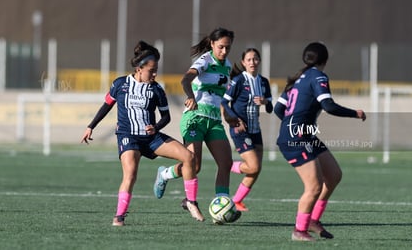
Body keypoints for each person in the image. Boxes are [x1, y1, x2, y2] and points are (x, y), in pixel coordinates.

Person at [81, 40, 204, 226]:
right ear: (139, 68)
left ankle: (191, 202)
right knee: (130, 174)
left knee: (189, 157)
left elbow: (166, 117)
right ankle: (119, 216)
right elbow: (106, 105)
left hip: (151, 137)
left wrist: (156, 127)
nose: (155, 74)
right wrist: (91, 126)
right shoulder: (120, 84)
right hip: (128, 137)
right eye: (151, 70)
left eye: (156, 70)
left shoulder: (156, 89)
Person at [274, 42, 366, 241]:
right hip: (297, 137)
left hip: (303, 135)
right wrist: (355, 113)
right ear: (325, 60)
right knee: (314, 186)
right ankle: (299, 231)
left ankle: (314, 220)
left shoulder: (297, 78)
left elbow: (278, 110)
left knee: (333, 175)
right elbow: (329, 106)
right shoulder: (319, 76)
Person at [153, 27, 241, 222]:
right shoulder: (205, 61)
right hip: (195, 118)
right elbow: (185, 80)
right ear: (212, 44)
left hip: (214, 121)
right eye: (221, 47)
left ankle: (222, 205)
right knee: (194, 164)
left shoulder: (227, 65)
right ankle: (166, 175)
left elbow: (221, 97)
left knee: (225, 163)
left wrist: (228, 116)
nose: (224, 51)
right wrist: (191, 97)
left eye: (227, 48)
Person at [220, 48, 273, 212]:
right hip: (240, 128)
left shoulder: (263, 82)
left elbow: (270, 108)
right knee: (253, 166)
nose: (252, 62)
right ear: (243, 62)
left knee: (257, 169)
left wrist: (265, 102)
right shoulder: (238, 80)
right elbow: (223, 103)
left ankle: (237, 201)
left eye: (255, 59)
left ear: (259, 61)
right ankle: (228, 165)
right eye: (249, 59)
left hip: (255, 130)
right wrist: (235, 121)